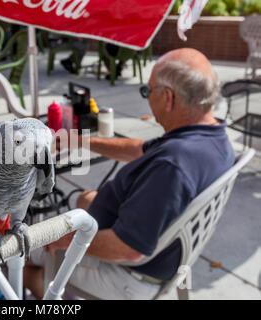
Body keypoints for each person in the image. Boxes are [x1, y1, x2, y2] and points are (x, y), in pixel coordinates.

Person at [24, 48, 235, 300]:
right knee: (85, 199)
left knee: (21, 254)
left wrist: (66, 240)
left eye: (148, 91)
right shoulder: (211, 137)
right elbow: (140, 149)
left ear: (168, 97)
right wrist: (79, 141)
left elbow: (128, 249)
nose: (146, 98)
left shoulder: (172, 165)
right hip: (164, 249)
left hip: (126, 274)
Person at [61, 42, 125, 79]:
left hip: (116, 50)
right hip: (128, 52)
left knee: (103, 52)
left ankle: (113, 71)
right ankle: (117, 68)